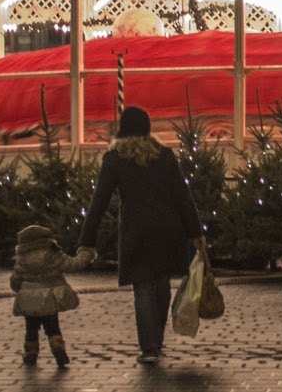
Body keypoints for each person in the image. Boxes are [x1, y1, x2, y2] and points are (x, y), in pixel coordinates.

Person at [76, 106, 205, 365]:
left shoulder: (114, 158)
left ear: (122, 129)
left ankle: (149, 347)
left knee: (143, 287)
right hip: (169, 228)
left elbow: (99, 202)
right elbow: (182, 197)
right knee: (161, 283)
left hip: (137, 229)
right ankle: (156, 339)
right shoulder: (164, 155)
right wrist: (195, 232)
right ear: (148, 128)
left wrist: (87, 241)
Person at [11, 224, 97, 367]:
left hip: (29, 300)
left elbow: (15, 279)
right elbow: (73, 264)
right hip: (50, 298)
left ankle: (30, 353)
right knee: (53, 327)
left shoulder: (22, 259)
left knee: (31, 329)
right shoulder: (53, 254)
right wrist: (87, 253)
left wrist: (17, 289)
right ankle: (58, 348)